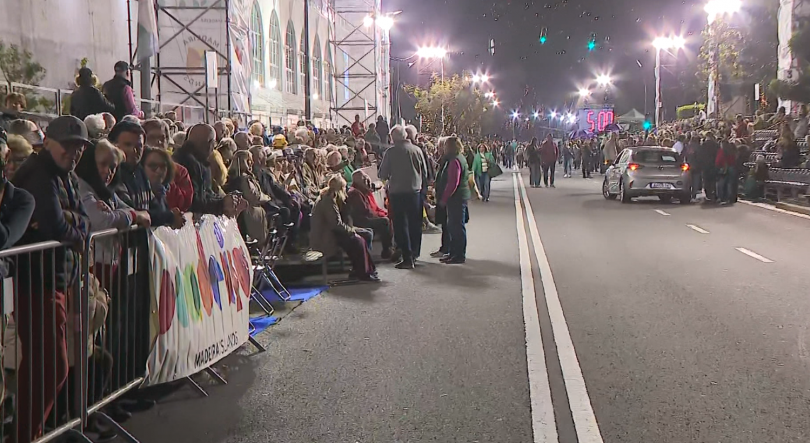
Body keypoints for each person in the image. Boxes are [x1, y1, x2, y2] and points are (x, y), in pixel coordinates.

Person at [12, 116, 91, 441]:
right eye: (67, 146)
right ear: (47, 143)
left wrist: (71, 223)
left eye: (79, 147)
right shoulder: (39, 174)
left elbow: (82, 221)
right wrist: (73, 227)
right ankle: (25, 435)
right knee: (50, 366)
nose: (73, 152)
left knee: (45, 366)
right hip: (37, 279)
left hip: (55, 277)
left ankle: (29, 433)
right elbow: (53, 225)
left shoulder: (64, 175)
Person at [109, 121, 183, 228]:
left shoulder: (140, 171)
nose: (134, 150)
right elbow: (132, 212)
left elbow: (154, 205)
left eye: (139, 146)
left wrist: (168, 213)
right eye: (128, 145)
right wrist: (169, 217)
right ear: (113, 145)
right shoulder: (112, 174)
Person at [311, 175, 379, 281]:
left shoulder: (332, 198)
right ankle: (363, 272)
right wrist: (351, 231)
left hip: (331, 232)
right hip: (326, 237)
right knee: (358, 241)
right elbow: (335, 224)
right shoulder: (328, 200)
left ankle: (365, 268)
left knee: (364, 235)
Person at [378, 125, 427, 269]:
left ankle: (407, 257)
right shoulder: (417, 150)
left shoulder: (391, 152)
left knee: (401, 226)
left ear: (393, 137)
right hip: (415, 192)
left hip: (398, 193)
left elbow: (382, 174)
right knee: (415, 224)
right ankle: (415, 254)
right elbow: (424, 171)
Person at [173, 123, 247, 216]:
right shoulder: (190, 164)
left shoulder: (196, 160)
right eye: (214, 143)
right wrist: (222, 204)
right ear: (209, 143)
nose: (213, 148)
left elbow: (207, 194)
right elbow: (194, 202)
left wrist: (225, 200)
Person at [436, 136, 470, 264]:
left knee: (456, 227)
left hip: (456, 198)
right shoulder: (459, 158)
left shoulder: (454, 161)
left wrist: (444, 198)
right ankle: (453, 253)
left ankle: (458, 255)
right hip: (459, 197)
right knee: (453, 226)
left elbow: (452, 183)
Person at [347, 169, 393, 259]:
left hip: (366, 217)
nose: (366, 180)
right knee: (384, 221)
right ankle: (387, 250)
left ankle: (393, 248)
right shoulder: (354, 193)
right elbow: (365, 211)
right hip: (361, 221)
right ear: (358, 181)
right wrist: (379, 216)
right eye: (364, 179)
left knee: (388, 218)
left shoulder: (363, 190)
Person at [698, 132, 720, 203]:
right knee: (713, 180)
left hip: (705, 165)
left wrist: (701, 164)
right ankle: (714, 193)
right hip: (714, 164)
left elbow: (700, 155)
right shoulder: (716, 145)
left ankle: (708, 194)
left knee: (706, 180)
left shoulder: (704, 145)